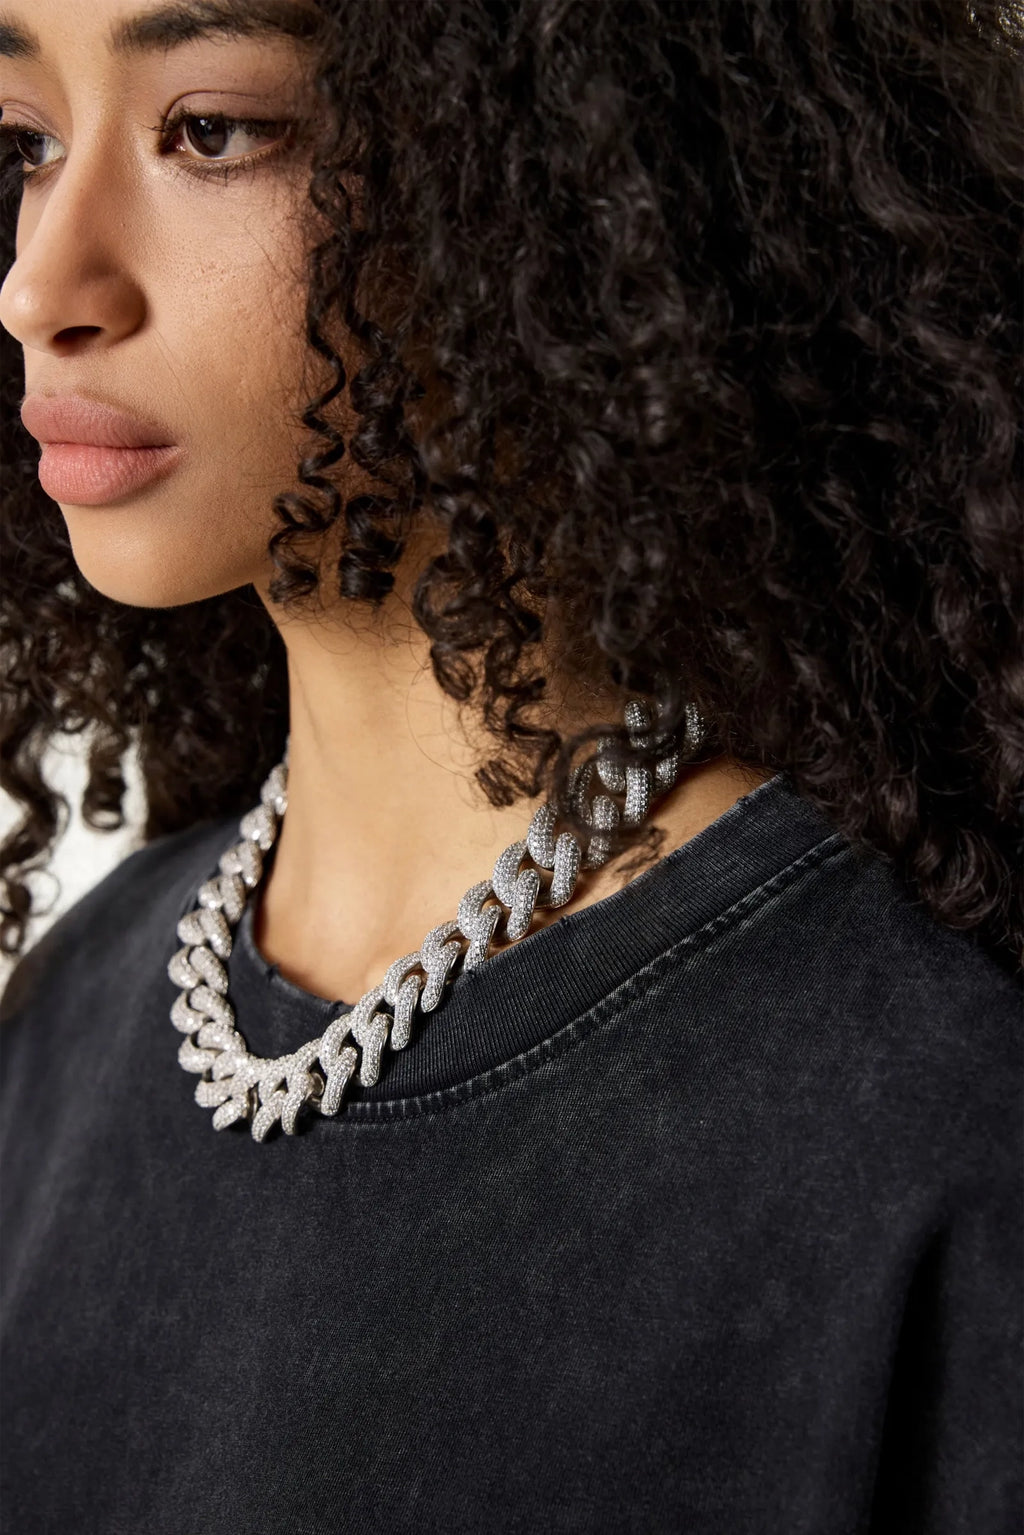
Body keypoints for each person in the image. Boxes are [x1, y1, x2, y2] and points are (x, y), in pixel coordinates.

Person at [0, 0, 1020, 1529]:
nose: (40, 286)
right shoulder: (69, 1025)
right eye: (23, 143)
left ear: (557, 170)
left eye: (212, 132)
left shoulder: (924, 1116)